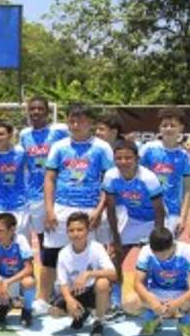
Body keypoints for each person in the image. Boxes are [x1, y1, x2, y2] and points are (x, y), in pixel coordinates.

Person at [43, 104, 115, 302]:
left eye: (80, 120)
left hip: (91, 209)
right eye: (72, 120)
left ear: (90, 123)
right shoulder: (59, 147)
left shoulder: (102, 148)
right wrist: (49, 210)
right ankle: (44, 298)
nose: (75, 124)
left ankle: (101, 301)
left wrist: (100, 210)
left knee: (96, 257)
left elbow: (108, 182)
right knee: (51, 255)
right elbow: (49, 178)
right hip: (62, 207)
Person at [96, 139, 165, 317]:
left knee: (157, 260)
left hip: (153, 221)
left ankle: (156, 300)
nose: (123, 162)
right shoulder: (111, 176)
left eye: (128, 158)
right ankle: (117, 300)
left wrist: (158, 238)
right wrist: (116, 238)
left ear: (137, 159)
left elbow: (159, 210)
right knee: (115, 258)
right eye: (119, 158)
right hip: (133, 219)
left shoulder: (148, 178)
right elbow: (110, 208)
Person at [124, 226, 190, 336]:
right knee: (128, 302)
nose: (160, 258)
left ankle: (186, 322)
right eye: (156, 254)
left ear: (172, 246)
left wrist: (177, 303)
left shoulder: (188, 251)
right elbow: (137, 283)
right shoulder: (146, 250)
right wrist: (153, 302)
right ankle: (152, 318)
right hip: (155, 293)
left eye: (163, 255)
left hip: (180, 293)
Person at [55, 211, 116, 336]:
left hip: (94, 292)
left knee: (103, 283)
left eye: (80, 229)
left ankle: (99, 322)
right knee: (54, 312)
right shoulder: (63, 253)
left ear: (88, 231)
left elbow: (113, 273)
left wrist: (88, 274)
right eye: (71, 230)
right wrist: (69, 300)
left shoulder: (97, 248)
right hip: (76, 293)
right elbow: (62, 283)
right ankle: (83, 313)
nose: (75, 234)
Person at [138, 107, 190, 238]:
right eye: (164, 125)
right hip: (147, 210)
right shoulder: (148, 148)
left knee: (167, 252)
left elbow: (187, 189)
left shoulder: (185, 155)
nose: (168, 129)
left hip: (172, 213)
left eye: (173, 125)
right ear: (159, 128)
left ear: (181, 128)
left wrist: (183, 217)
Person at [20, 96, 69, 241]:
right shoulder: (24, 134)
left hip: (58, 193)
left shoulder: (59, 132)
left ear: (47, 111)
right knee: (42, 236)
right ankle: (43, 264)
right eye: (32, 109)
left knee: (60, 235)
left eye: (40, 109)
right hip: (34, 194)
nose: (36, 112)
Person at [0, 211, 36, 328]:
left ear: (12, 230)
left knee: (29, 282)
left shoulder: (20, 240)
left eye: (0, 231)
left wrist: (8, 282)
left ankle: (27, 310)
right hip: (3, 279)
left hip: (18, 279)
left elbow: (29, 269)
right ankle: (4, 306)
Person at [0, 119, 30, 233]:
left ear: (10, 135)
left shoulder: (21, 152)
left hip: (20, 206)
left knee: (21, 243)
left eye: (1, 134)